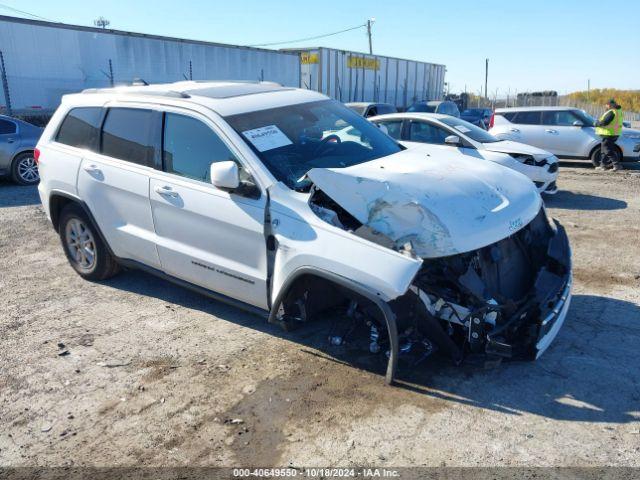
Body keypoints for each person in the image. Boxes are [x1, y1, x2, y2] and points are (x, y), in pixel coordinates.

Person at [594, 99, 624, 171]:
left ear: (609, 104)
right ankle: (602, 165)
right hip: (614, 133)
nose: (606, 106)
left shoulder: (611, 112)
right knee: (603, 150)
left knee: (608, 150)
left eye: (606, 105)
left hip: (609, 133)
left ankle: (617, 166)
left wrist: (596, 123)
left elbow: (604, 122)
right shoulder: (618, 111)